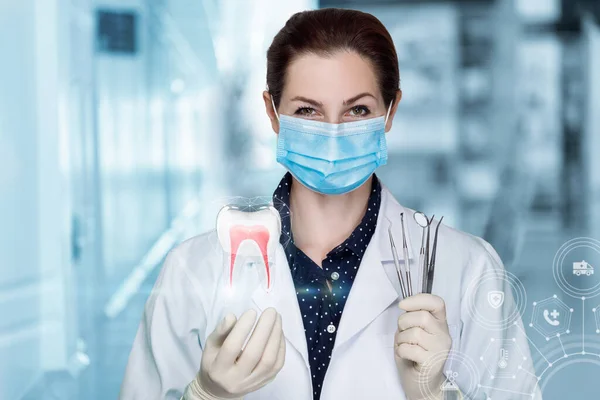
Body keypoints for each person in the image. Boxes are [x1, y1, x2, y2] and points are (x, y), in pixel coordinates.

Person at [120, 8, 540, 400]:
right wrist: (205, 394)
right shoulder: (193, 270)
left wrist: (435, 393)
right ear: (272, 112)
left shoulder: (467, 268)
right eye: (308, 110)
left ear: (390, 111)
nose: (334, 134)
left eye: (358, 109)